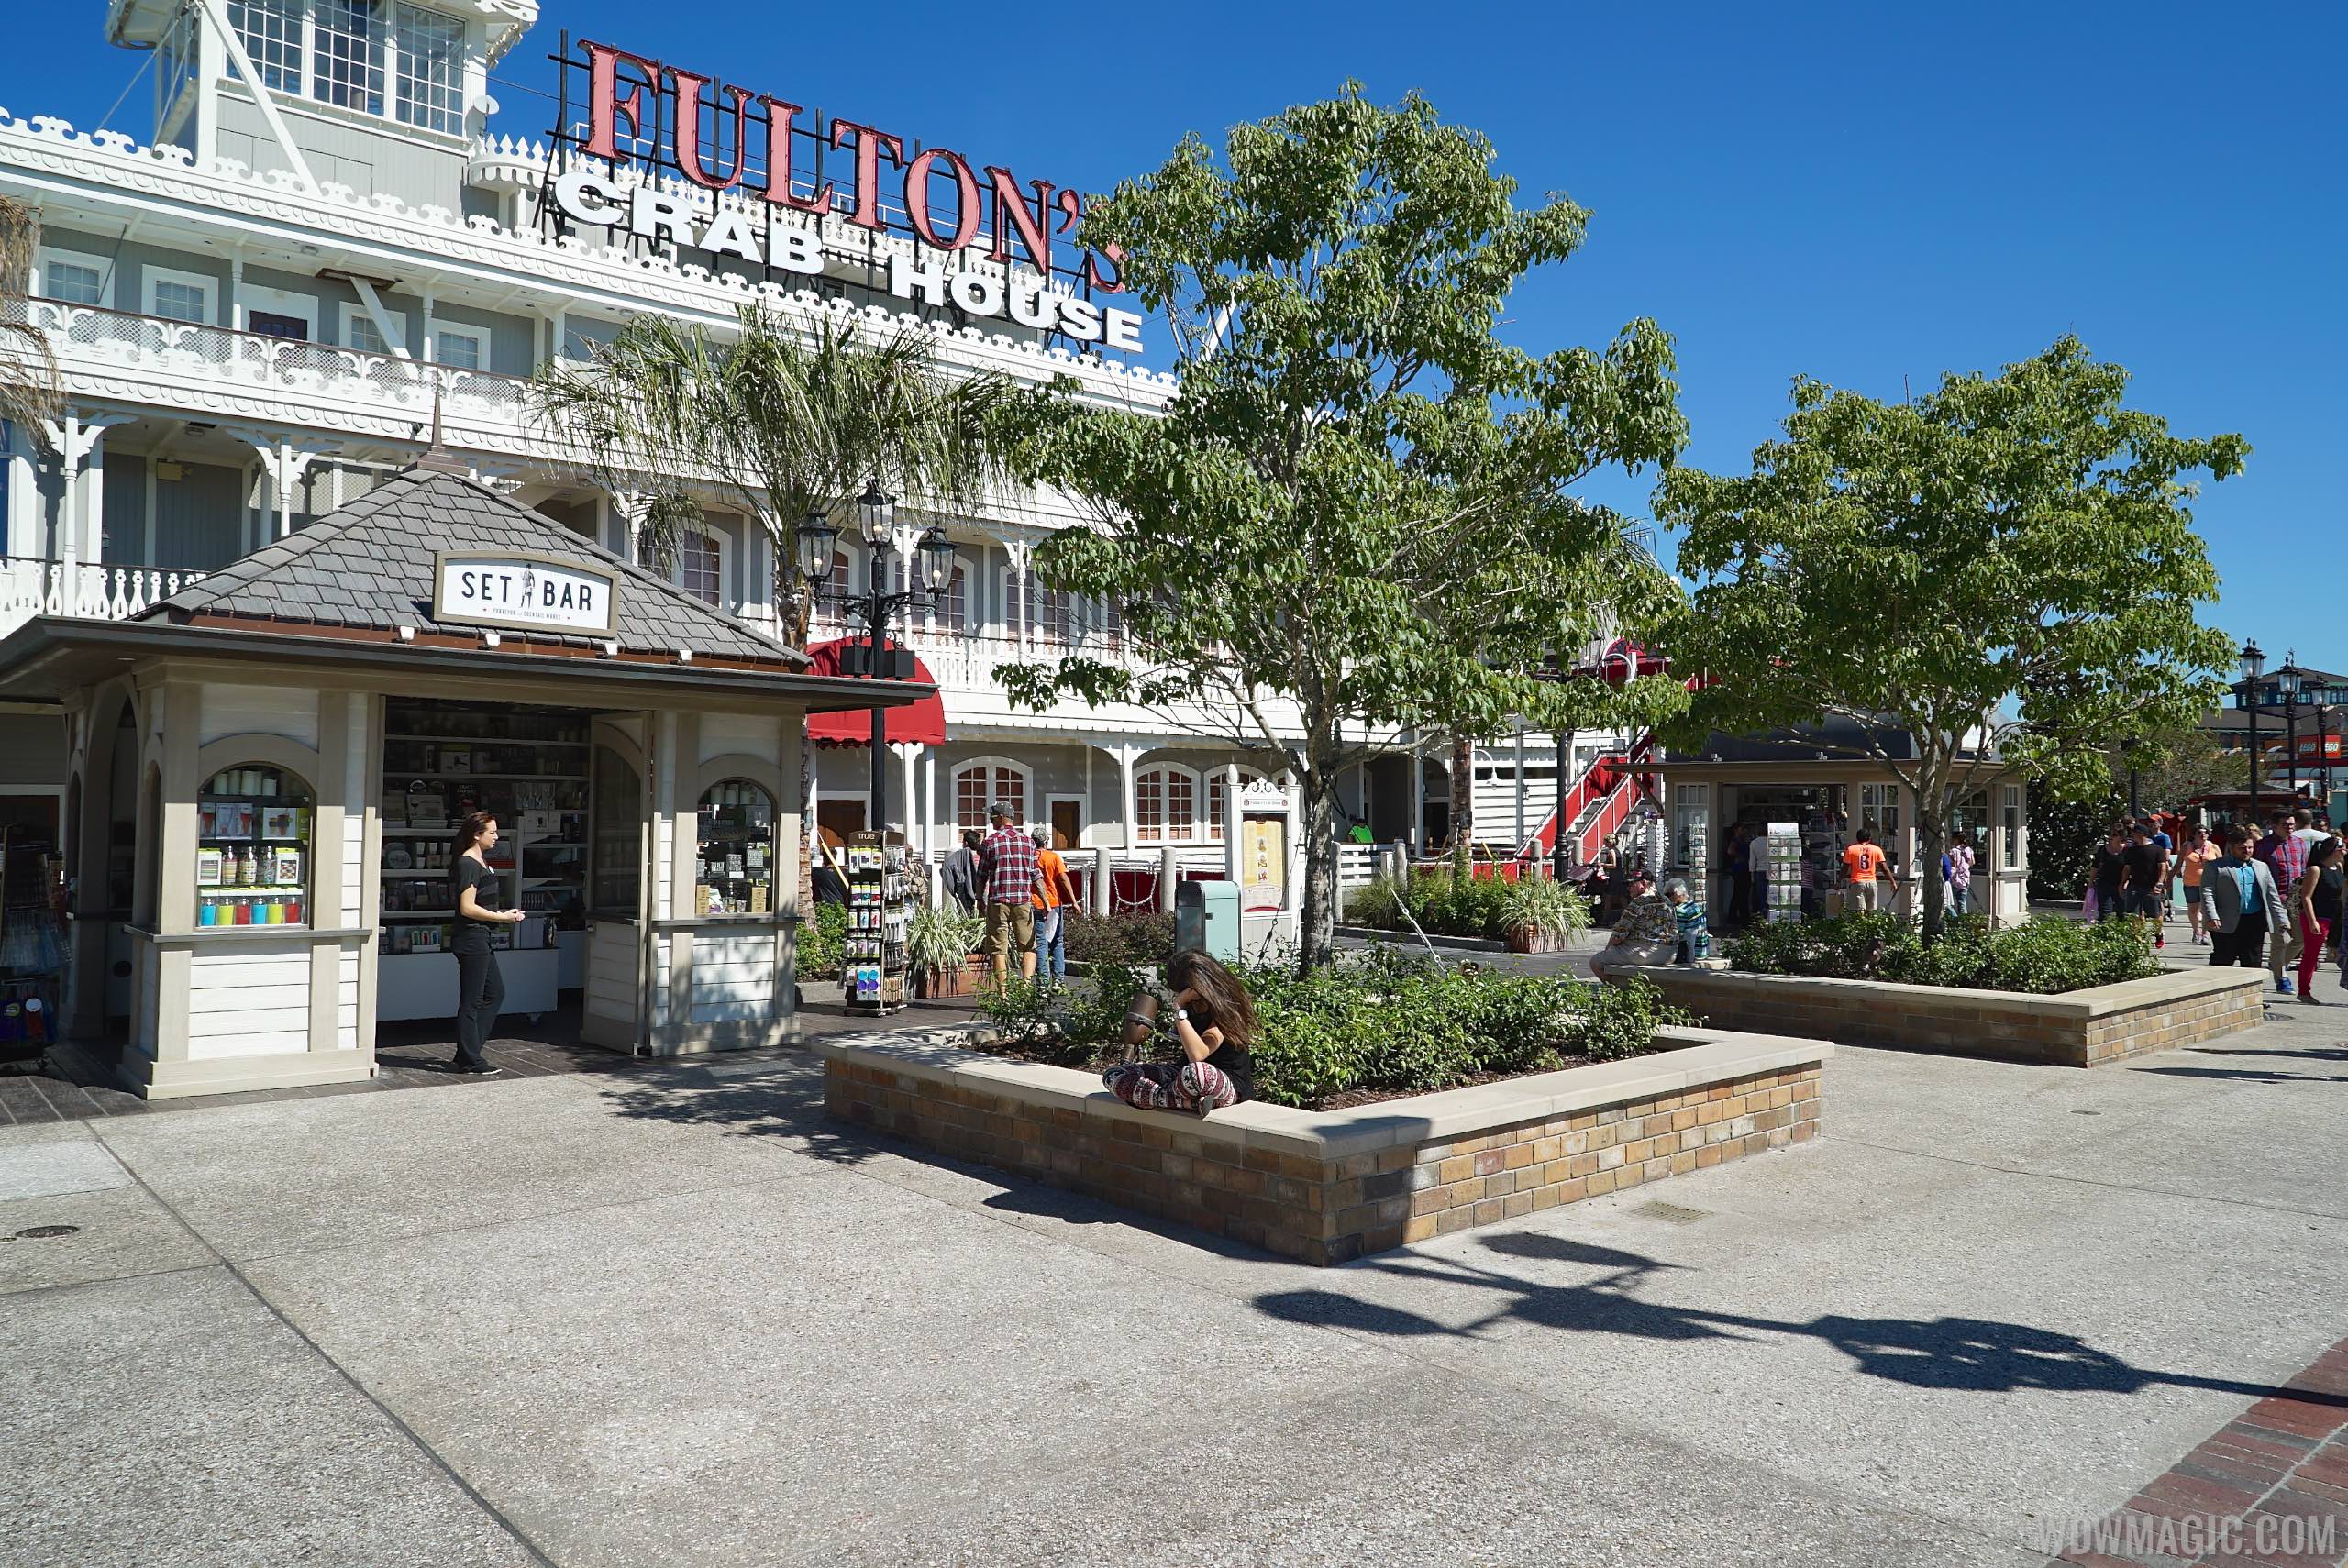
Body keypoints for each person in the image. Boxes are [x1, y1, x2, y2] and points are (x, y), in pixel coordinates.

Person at [1101, 951, 1257, 1118]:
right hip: (1183, 1077)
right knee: (1115, 1074)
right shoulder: (1191, 1005)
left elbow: (1198, 1054)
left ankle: (1156, 1097)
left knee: (1196, 1073)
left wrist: (1178, 1008)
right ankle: (1187, 1103)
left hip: (1224, 1081)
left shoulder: (1227, 1009)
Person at [448, 811, 527, 1076]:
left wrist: (505, 914)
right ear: (476, 834)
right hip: (471, 937)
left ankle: (467, 1052)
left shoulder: (481, 862)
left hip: (482, 937)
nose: (496, 836)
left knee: (495, 993)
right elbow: (467, 907)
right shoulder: (468, 863)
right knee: (471, 1001)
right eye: (491, 832)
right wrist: (501, 917)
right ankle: (470, 1060)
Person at [2202, 827, 2289, 972]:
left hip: (2254, 921)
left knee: (2253, 962)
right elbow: (2207, 892)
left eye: (2250, 847)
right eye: (2242, 848)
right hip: (2225, 922)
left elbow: (2272, 896)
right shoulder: (2216, 867)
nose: (2247, 851)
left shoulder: (2261, 867)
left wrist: (2282, 920)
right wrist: (2211, 915)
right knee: (2223, 960)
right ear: (2231, 847)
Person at [977, 801, 1039, 992]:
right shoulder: (1028, 842)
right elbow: (1035, 874)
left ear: (1001, 818)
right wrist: (1045, 901)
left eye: (992, 817)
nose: (990, 820)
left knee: (998, 950)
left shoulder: (990, 842)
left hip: (998, 900)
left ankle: (1003, 994)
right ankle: (1025, 986)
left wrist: (979, 898)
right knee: (1029, 946)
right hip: (1023, 900)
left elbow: (982, 875)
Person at [2261, 809, 2314, 995]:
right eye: (2285, 824)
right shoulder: (2264, 846)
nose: (2290, 827)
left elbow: (2305, 869)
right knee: (2280, 940)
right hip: (2274, 899)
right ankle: (2281, 979)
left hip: (2296, 899)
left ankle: (2277, 963)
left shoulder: (2300, 844)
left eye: (2292, 824)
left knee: (2300, 940)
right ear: (2274, 826)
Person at [1589, 869, 1678, 979]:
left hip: (1647, 954)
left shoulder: (1638, 902)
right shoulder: (1667, 901)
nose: (1628, 888)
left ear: (1644, 883)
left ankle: (1615, 991)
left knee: (1596, 961)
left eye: (1632, 884)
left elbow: (1618, 935)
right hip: (1670, 953)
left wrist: (1608, 949)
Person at [2295, 835, 2342, 1005]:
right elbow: (2306, 897)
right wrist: (2312, 921)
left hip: (2335, 918)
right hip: (2318, 917)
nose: (2344, 851)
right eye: (2341, 848)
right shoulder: (2315, 870)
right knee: (2311, 956)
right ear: (2334, 851)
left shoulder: (2338, 867)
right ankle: (2304, 991)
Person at [1030, 828, 1080, 986]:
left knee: (1041, 941)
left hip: (1034, 903)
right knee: (1057, 941)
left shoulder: (1029, 857)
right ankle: (1058, 979)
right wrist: (1074, 901)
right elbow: (1063, 878)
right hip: (1053, 903)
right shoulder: (1053, 857)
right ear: (1046, 841)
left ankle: (1043, 980)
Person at [2121, 821, 2169, 950]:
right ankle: (2138, 939)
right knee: (2133, 914)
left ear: (2141, 834)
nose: (2132, 835)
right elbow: (2127, 868)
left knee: (2155, 914)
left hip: (2151, 886)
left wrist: (2159, 883)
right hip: (2134, 886)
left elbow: (2163, 868)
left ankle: (2158, 934)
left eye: (2134, 833)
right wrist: (2123, 882)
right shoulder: (2131, 851)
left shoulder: (2156, 850)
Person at [2176, 825, 2216, 945]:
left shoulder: (2213, 847)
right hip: (2190, 882)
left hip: (2208, 883)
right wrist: (2171, 877)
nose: (2203, 835)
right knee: (2193, 910)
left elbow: (2221, 863)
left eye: (2206, 832)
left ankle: (2205, 934)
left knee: (2205, 910)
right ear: (2194, 834)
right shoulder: (2187, 846)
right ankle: (2196, 931)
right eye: (2200, 832)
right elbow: (2178, 863)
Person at [1664, 876, 1710, 965]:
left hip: (1691, 954)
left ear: (1676, 894)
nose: (1668, 898)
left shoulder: (1680, 911)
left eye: (1669, 895)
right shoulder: (1694, 906)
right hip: (1703, 950)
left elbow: (1677, 935)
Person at [1841, 829, 1888, 913]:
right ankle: (1869, 926)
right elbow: (1884, 868)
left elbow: (1845, 868)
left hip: (1857, 882)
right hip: (1872, 882)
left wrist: (1838, 881)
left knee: (1859, 911)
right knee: (1870, 911)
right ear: (1870, 838)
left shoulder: (1851, 849)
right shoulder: (1877, 849)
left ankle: (1860, 925)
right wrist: (1893, 882)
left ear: (1857, 838)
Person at [2089, 827, 2129, 922]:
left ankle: (2124, 934)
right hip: (2104, 883)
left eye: (2114, 835)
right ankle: (2103, 934)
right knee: (2104, 913)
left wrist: (2126, 883)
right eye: (2110, 834)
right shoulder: (2102, 850)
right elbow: (2095, 866)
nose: (2110, 837)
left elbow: (2131, 869)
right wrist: (2091, 881)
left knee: (2123, 913)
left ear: (2121, 837)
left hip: (2121, 884)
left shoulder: (2127, 851)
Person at [943, 829, 983, 914]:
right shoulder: (984, 856)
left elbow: (947, 872)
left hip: (965, 896)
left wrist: (955, 892)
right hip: (985, 894)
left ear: (965, 843)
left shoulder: (958, 857)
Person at [1724, 823, 1753, 929]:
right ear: (1736, 830)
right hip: (1740, 870)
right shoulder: (1736, 841)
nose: (1744, 831)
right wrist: (1740, 856)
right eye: (1742, 829)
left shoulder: (1742, 840)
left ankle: (1734, 916)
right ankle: (1743, 918)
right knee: (1741, 894)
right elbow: (1730, 851)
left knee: (1738, 894)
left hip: (1742, 869)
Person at [1945, 834, 1976, 918]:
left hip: (1955, 880)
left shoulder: (1954, 851)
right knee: (1962, 902)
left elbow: (1953, 865)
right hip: (1965, 880)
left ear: (1956, 840)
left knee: (1946, 901)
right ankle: (1963, 922)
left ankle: (1955, 919)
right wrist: (1965, 867)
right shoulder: (1968, 850)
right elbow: (1972, 862)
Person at [811, 842, 849, 907]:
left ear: (824, 858)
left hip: (824, 907)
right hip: (839, 906)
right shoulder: (843, 873)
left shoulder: (818, 872)